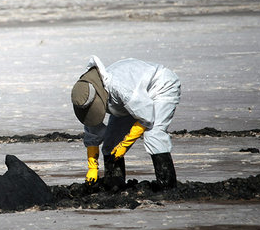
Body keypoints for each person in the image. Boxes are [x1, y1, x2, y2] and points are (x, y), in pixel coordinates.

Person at [71, 55, 181, 190]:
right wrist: (92, 166)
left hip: (160, 86)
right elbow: (92, 127)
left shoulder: (120, 88)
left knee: (154, 134)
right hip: (128, 101)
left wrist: (125, 144)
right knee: (111, 144)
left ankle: (168, 187)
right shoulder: (86, 93)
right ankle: (114, 186)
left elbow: (146, 117)